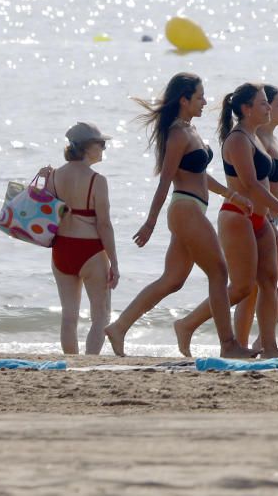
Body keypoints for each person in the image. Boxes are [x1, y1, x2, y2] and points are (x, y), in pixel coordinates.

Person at [104, 73, 253, 358]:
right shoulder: (176, 133)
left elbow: (200, 174)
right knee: (219, 272)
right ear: (184, 99)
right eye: (199, 97)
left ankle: (119, 327)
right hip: (185, 209)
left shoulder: (190, 129)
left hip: (194, 208)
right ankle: (228, 344)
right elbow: (166, 180)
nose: (205, 102)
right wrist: (150, 222)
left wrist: (232, 195)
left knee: (173, 279)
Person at [173, 83, 278, 359]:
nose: (269, 108)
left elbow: (271, 182)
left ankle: (269, 346)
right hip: (238, 218)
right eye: (263, 103)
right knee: (242, 287)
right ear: (246, 109)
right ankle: (187, 324)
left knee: (270, 281)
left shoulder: (256, 136)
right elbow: (251, 185)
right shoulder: (237, 139)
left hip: (262, 220)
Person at [232, 84, 278, 351]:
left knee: (268, 285)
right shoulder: (254, 137)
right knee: (253, 289)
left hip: (272, 221)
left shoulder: (271, 138)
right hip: (255, 218)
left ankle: (260, 341)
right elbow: (254, 183)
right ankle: (242, 344)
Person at [40, 122, 119, 354]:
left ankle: (71, 363)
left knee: (69, 315)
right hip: (91, 250)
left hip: (61, 250)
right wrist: (114, 261)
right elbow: (104, 225)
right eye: (100, 144)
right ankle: (89, 363)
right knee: (101, 315)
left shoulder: (53, 176)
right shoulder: (98, 180)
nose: (104, 148)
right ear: (87, 148)